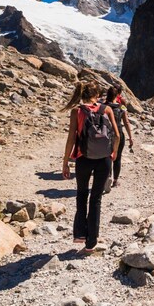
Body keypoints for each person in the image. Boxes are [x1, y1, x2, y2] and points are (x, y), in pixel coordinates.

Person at [61, 80, 120, 254]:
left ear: (82, 94)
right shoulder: (107, 109)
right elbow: (116, 135)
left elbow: (71, 138)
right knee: (96, 199)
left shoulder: (76, 111)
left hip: (83, 158)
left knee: (81, 195)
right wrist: (113, 153)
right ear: (97, 95)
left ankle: (80, 234)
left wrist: (65, 162)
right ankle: (91, 243)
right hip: (104, 159)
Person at [103, 84, 134, 187]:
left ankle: (107, 177)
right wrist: (130, 136)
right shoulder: (122, 106)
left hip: (105, 134)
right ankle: (115, 180)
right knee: (117, 157)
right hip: (119, 134)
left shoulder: (103, 105)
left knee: (106, 156)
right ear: (118, 94)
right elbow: (126, 121)